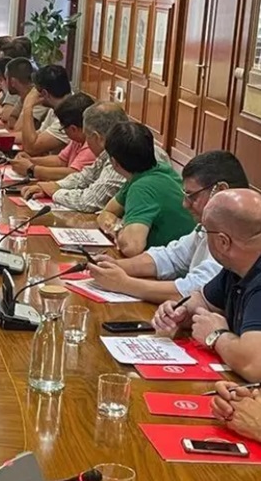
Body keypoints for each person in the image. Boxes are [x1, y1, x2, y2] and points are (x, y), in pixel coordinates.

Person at [89, 151, 249, 303]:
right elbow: (172, 257)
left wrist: (124, 284)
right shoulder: (208, 226)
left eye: (192, 196)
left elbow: (198, 290)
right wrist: (115, 266)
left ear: (220, 191)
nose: (185, 204)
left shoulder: (240, 235)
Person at [152, 189, 261, 382]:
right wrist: (180, 312)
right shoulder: (236, 268)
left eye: (205, 231)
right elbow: (202, 300)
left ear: (223, 242)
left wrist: (216, 336)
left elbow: (254, 366)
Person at [96, 122, 196, 256]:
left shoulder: (142, 187)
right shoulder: (155, 171)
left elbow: (132, 247)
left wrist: (116, 229)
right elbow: (107, 212)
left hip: (176, 263)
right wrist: (117, 227)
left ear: (114, 162)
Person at [21, 103, 131, 213]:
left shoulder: (121, 158)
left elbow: (89, 202)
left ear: (97, 138)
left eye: (87, 137)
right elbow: (85, 177)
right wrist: (54, 186)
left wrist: (55, 192)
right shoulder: (108, 153)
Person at [11, 93, 96, 182]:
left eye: (63, 128)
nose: (63, 131)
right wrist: (30, 161)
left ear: (73, 129)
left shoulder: (91, 145)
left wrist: (32, 169)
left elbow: (74, 174)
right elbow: (61, 160)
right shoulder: (78, 139)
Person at [15, 64, 71, 156]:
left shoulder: (69, 114)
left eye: (35, 90)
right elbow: (37, 135)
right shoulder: (56, 106)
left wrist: (27, 106)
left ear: (44, 93)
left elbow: (30, 148)